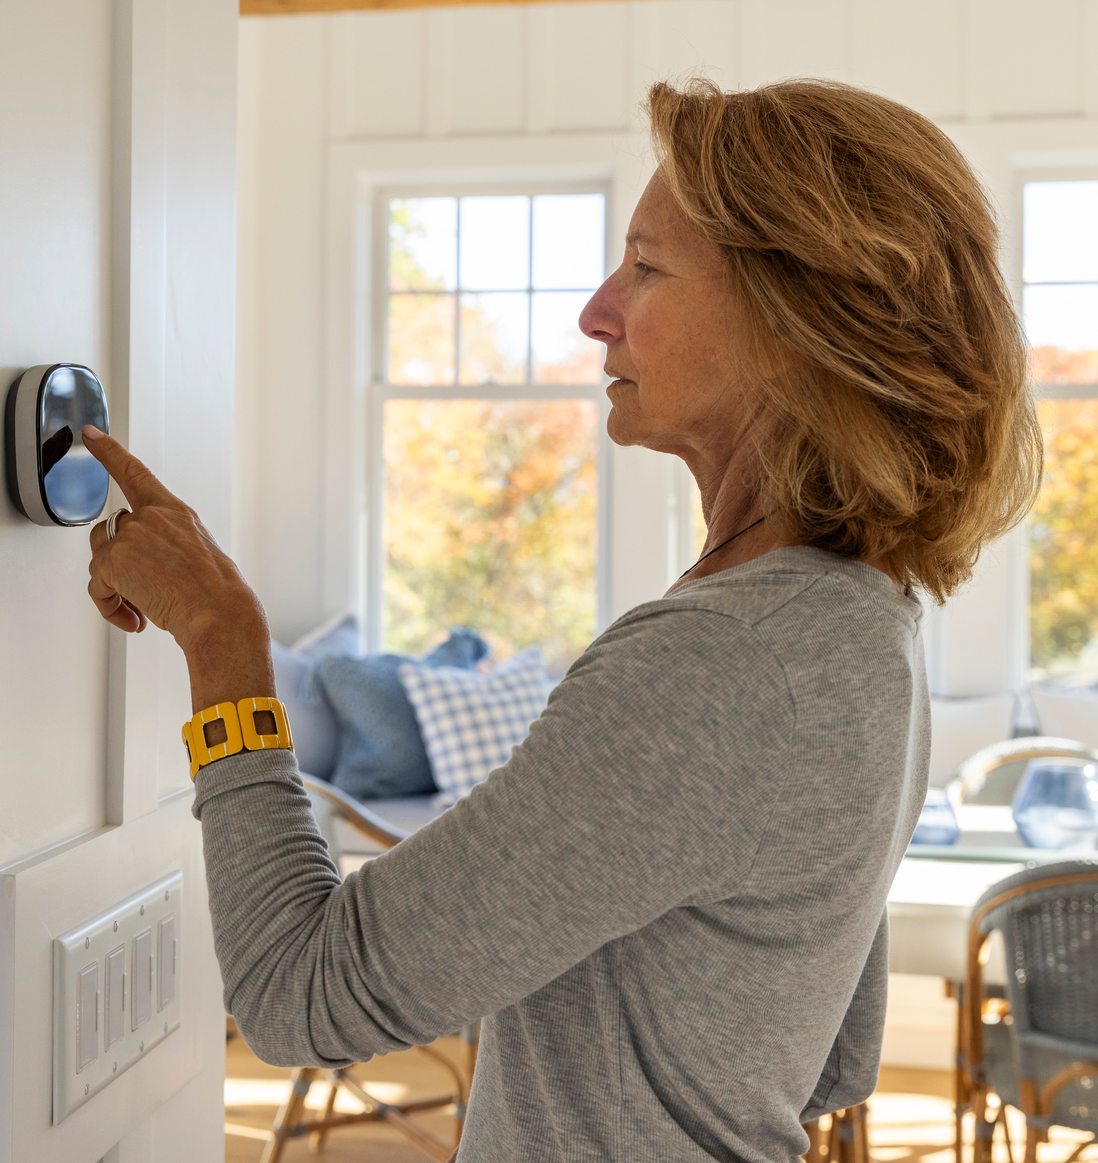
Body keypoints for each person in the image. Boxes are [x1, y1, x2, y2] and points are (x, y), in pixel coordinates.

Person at [81, 77, 1040, 1163]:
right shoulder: (862, 619)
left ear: (791, 324)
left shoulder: (723, 661)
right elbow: (830, 1056)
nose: (595, 309)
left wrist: (221, 636)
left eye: (645, 265)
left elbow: (300, 995)